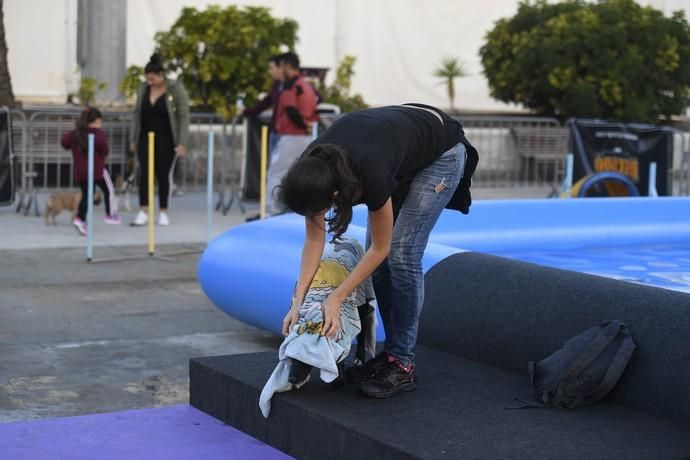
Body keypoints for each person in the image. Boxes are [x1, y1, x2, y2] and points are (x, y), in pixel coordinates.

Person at [277, 103, 479, 398]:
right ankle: (393, 354)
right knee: (380, 264)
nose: (316, 216)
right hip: (395, 143)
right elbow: (313, 241)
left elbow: (381, 248)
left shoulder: (368, 171)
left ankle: (402, 363)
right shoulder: (312, 169)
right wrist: (298, 302)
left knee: (402, 253)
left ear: (334, 195)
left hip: (442, 153)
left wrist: (337, 297)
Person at [258, 237, 375, 417]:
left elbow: (381, 248)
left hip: (350, 261)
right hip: (313, 283)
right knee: (310, 326)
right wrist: (296, 305)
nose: (293, 377)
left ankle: (357, 356)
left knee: (352, 315)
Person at [129, 53, 190, 227]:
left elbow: (184, 116)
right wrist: (133, 139)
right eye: (148, 79)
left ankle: (163, 211)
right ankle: (143, 210)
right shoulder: (143, 89)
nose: (150, 82)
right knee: (145, 174)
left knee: (164, 175)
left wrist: (181, 142)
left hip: (167, 138)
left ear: (162, 75)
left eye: (153, 79)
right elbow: (136, 114)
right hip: (145, 137)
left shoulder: (176, 89)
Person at [265, 51, 319, 214]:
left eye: (282, 67)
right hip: (306, 136)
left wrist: (301, 124)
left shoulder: (291, 86)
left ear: (288, 67)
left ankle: (273, 211)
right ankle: (293, 210)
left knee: (276, 173)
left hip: (292, 135)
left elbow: (290, 109)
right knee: (296, 174)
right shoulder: (306, 84)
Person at [61, 106, 120, 235]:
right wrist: (103, 156)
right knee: (109, 189)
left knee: (87, 197)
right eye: (99, 121)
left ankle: (80, 219)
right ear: (95, 121)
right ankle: (110, 214)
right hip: (97, 170)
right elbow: (104, 149)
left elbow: (64, 143)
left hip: (81, 172)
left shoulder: (76, 133)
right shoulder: (99, 134)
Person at [242, 54, 284, 154]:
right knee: (274, 165)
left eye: (271, 68)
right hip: (276, 133)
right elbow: (264, 104)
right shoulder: (276, 86)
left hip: (289, 135)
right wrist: (246, 112)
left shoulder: (295, 85)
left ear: (280, 68)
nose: (270, 72)